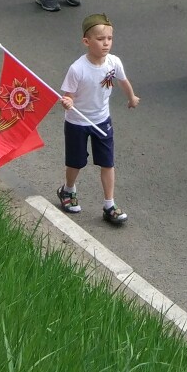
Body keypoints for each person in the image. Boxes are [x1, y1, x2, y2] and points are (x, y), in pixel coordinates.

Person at [57, 13, 141, 226]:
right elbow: (68, 96)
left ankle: (109, 205)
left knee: (107, 162)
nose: (106, 43)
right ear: (87, 41)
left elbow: (123, 81)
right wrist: (67, 102)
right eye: (101, 39)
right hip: (77, 122)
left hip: (102, 121)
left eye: (109, 39)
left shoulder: (113, 62)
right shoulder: (77, 69)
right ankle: (68, 190)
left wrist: (131, 97)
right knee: (76, 162)